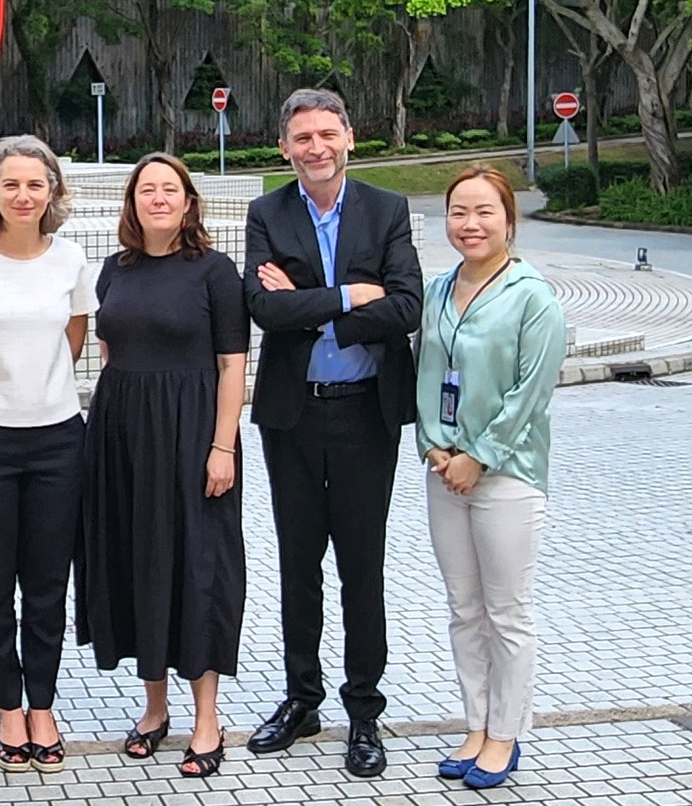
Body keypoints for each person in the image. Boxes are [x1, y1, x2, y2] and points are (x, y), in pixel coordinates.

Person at [242, 88, 423, 779]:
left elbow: (405, 304)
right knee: (297, 564)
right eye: (302, 137)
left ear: (350, 136)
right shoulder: (268, 211)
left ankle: (364, 710)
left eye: (327, 133)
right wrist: (353, 295)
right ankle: (302, 697)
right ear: (284, 146)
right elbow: (263, 307)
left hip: (363, 414)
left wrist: (310, 306)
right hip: (293, 414)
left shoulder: (386, 209)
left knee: (360, 567)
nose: (315, 147)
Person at [79, 153, 249, 780]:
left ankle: (208, 719)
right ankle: (155, 711)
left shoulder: (214, 271)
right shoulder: (112, 269)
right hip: (122, 435)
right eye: (146, 189)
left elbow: (233, 365)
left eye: (169, 189)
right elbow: (107, 347)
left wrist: (221, 445)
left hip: (192, 435)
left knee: (199, 568)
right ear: (133, 202)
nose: (157, 198)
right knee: (138, 562)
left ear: (187, 202)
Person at [0, 134, 95, 772]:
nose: (24, 195)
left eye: (36, 184)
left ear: (53, 191)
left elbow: (75, 341)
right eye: (12, 184)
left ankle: (44, 704)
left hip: (59, 439)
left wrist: (37, 393)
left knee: (48, 583)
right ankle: (7, 704)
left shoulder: (72, 260)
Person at [416, 166, 566, 791]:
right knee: (463, 609)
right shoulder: (438, 288)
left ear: (509, 219)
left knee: (507, 612)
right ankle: (475, 724)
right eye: (458, 212)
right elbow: (425, 372)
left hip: (506, 475)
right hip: (443, 470)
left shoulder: (534, 297)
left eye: (484, 212)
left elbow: (531, 391)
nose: (470, 224)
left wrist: (478, 454)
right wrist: (435, 446)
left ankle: (505, 733)